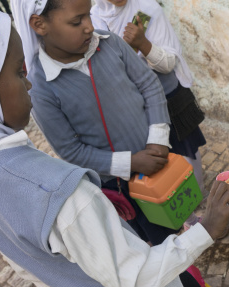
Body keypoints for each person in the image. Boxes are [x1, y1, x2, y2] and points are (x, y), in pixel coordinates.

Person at [0, 2, 229, 287]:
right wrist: (207, 230)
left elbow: (26, 264)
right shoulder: (61, 190)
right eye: (20, 73)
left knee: (166, 237)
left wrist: (156, 139)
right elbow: (137, 275)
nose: (29, 82)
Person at [11, 0, 195, 245]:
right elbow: (70, 150)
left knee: (177, 226)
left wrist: (158, 140)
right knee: (151, 244)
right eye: (77, 21)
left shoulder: (110, 43)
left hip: (158, 160)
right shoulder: (43, 88)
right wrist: (131, 162)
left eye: (88, 15)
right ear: (39, 24)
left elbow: (150, 86)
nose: (88, 27)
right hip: (119, 186)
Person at [90, 0, 208, 202]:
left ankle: (201, 198)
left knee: (187, 155)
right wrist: (125, 50)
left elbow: (169, 62)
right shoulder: (93, 20)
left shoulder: (145, 9)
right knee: (158, 164)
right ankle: (186, 215)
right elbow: (103, 73)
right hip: (136, 109)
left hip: (170, 99)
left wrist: (143, 44)